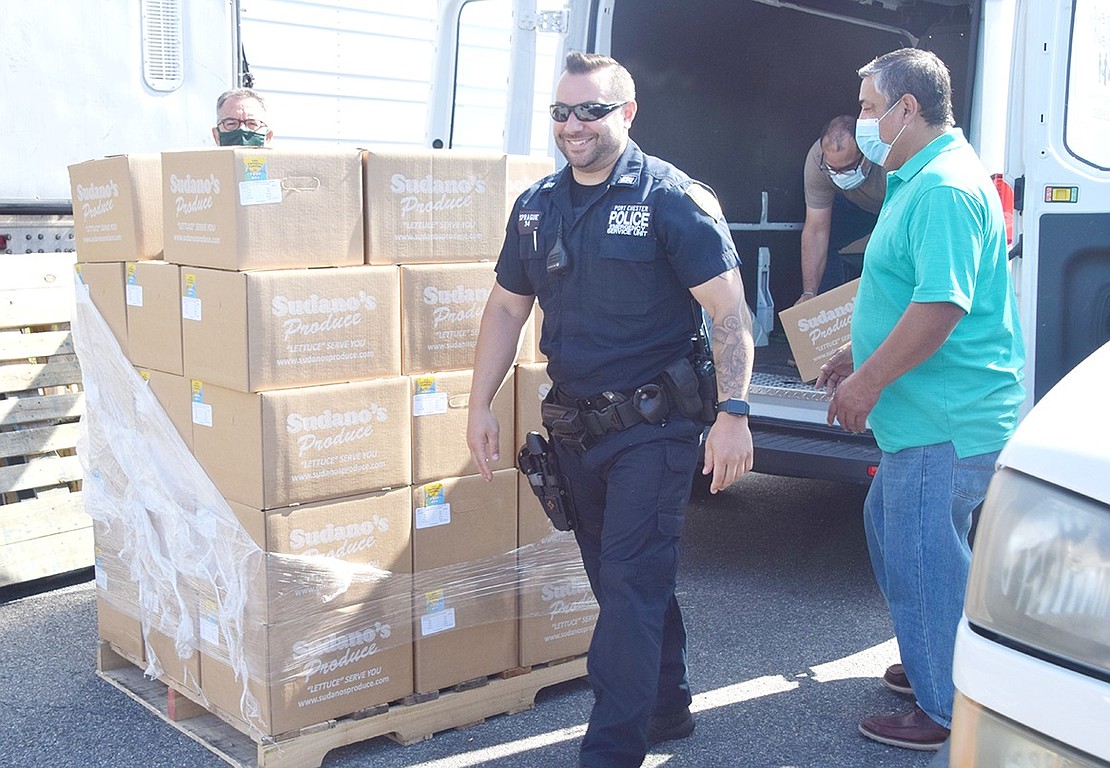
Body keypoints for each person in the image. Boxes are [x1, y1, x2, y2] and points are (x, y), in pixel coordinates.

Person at [466, 51, 755, 768]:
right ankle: (666, 703)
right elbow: (506, 308)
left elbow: (727, 309)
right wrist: (478, 404)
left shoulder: (671, 198)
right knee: (624, 579)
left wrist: (735, 412)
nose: (574, 125)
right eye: (562, 112)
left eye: (591, 110)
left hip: (653, 431)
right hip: (574, 429)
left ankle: (612, 750)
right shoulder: (536, 205)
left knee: (628, 585)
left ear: (626, 113)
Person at [817, 48, 1025, 750]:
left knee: (922, 554)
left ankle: (942, 707)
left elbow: (940, 305)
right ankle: (940, 652)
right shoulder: (915, 176)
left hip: (945, 421)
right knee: (895, 532)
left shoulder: (941, 188)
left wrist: (867, 384)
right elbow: (908, 291)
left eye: (873, 108)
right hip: (928, 419)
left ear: (909, 108)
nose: (864, 122)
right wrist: (857, 354)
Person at [794, 115, 886, 305]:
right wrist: (809, 293)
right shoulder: (816, 160)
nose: (839, 175)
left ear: (866, 154)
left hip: (894, 206)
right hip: (858, 207)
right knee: (826, 239)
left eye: (847, 168)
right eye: (832, 169)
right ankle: (830, 312)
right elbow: (816, 230)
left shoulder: (887, 157)